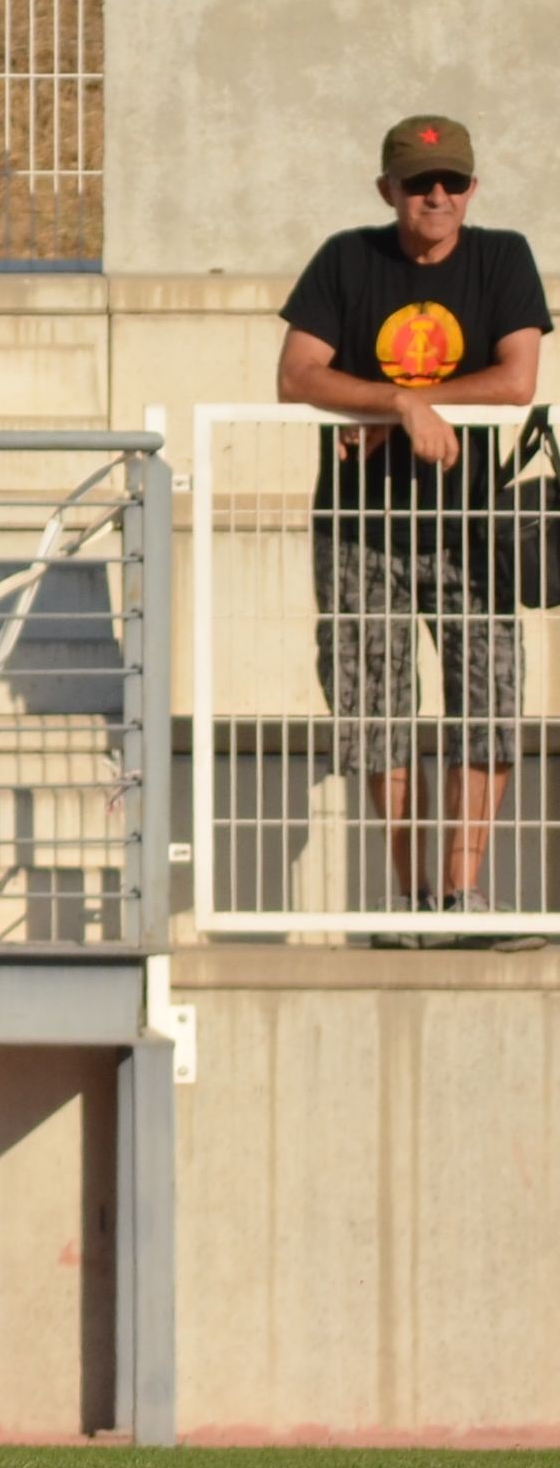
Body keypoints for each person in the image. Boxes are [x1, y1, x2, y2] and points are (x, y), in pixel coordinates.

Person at [277, 114, 548, 948]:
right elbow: (295, 375)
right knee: (375, 715)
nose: (436, 197)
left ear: (472, 190)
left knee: (490, 704)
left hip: (473, 527)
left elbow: (516, 381)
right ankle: (408, 905)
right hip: (361, 527)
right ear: (385, 190)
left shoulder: (501, 257)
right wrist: (400, 401)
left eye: (452, 183)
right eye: (418, 183)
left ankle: (460, 898)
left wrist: (409, 411)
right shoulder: (345, 258)